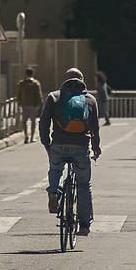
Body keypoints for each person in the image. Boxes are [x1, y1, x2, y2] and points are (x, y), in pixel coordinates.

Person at [40, 67, 101, 236]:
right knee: (83, 185)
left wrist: (47, 144)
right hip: (81, 147)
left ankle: (54, 191)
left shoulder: (54, 97)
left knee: (56, 169)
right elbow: (94, 128)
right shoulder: (90, 99)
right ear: (82, 80)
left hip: (58, 145)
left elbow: (44, 122)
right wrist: (96, 148)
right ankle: (84, 225)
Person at [16, 68, 43, 143]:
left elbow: (18, 94)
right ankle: (32, 137)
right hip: (33, 105)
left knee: (24, 121)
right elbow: (39, 94)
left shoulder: (22, 83)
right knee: (33, 121)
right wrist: (40, 104)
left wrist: (19, 103)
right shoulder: (35, 83)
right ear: (32, 74)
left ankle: (26, 136)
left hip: (24, 105)